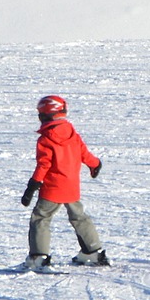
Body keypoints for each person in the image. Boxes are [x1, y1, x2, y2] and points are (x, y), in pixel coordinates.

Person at [23, 94, 108, 270]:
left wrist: (33, 184)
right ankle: (93, 251)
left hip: (52, 188)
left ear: (45, 115)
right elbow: (84, 153)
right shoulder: (72, 134)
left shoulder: (46, 138)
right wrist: (95, 164)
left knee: (41, 217)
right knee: (79, 216)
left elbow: (44, 164)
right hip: (71, 186)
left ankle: (39, 257)